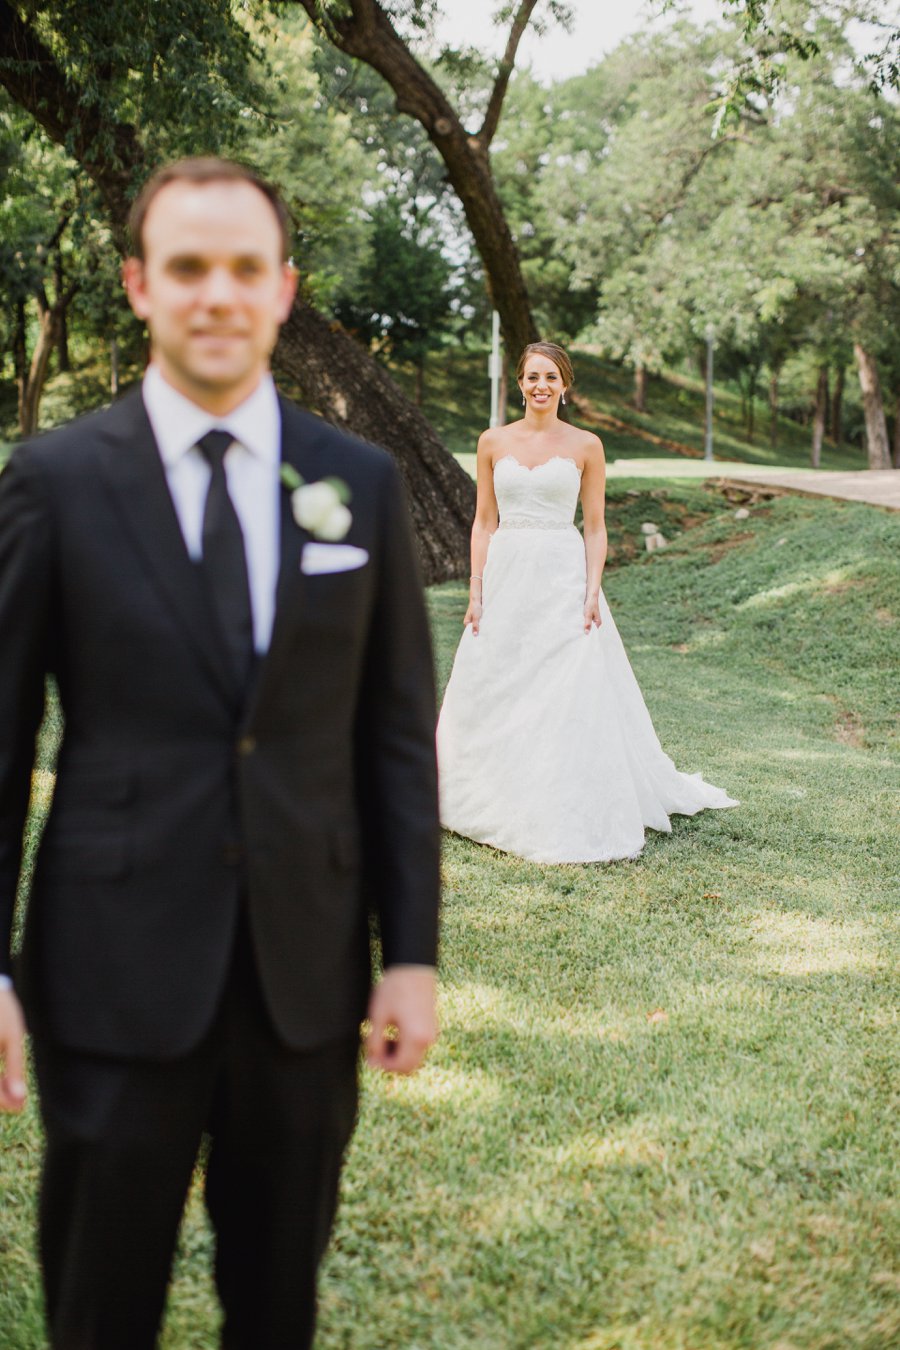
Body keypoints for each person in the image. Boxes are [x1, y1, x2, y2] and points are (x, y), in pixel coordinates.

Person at [0, 157, 440, 1349]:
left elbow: (394, 739)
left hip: (304, 979)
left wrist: (412, 956)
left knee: (277, 1305)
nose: (217, 294)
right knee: (99, 1308)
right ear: (141, 286)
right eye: (188, 267)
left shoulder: (360, 482)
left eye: (245, 268)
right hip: (110, 971)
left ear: (285, 290)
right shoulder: (52, 483)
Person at [437, 341, 736, 864]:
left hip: (562, 573)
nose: (541, 386)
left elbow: (595, 528)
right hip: (506, 573)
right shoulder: (491, 441)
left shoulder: (586, 446)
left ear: (565, 385)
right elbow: (484, 522)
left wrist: (592, 586)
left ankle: (554, 799)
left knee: (563, 682)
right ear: (520, 382)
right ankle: (482, 791)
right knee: (497, 674)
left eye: (551, 377)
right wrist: (476, 589)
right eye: (532, 377)